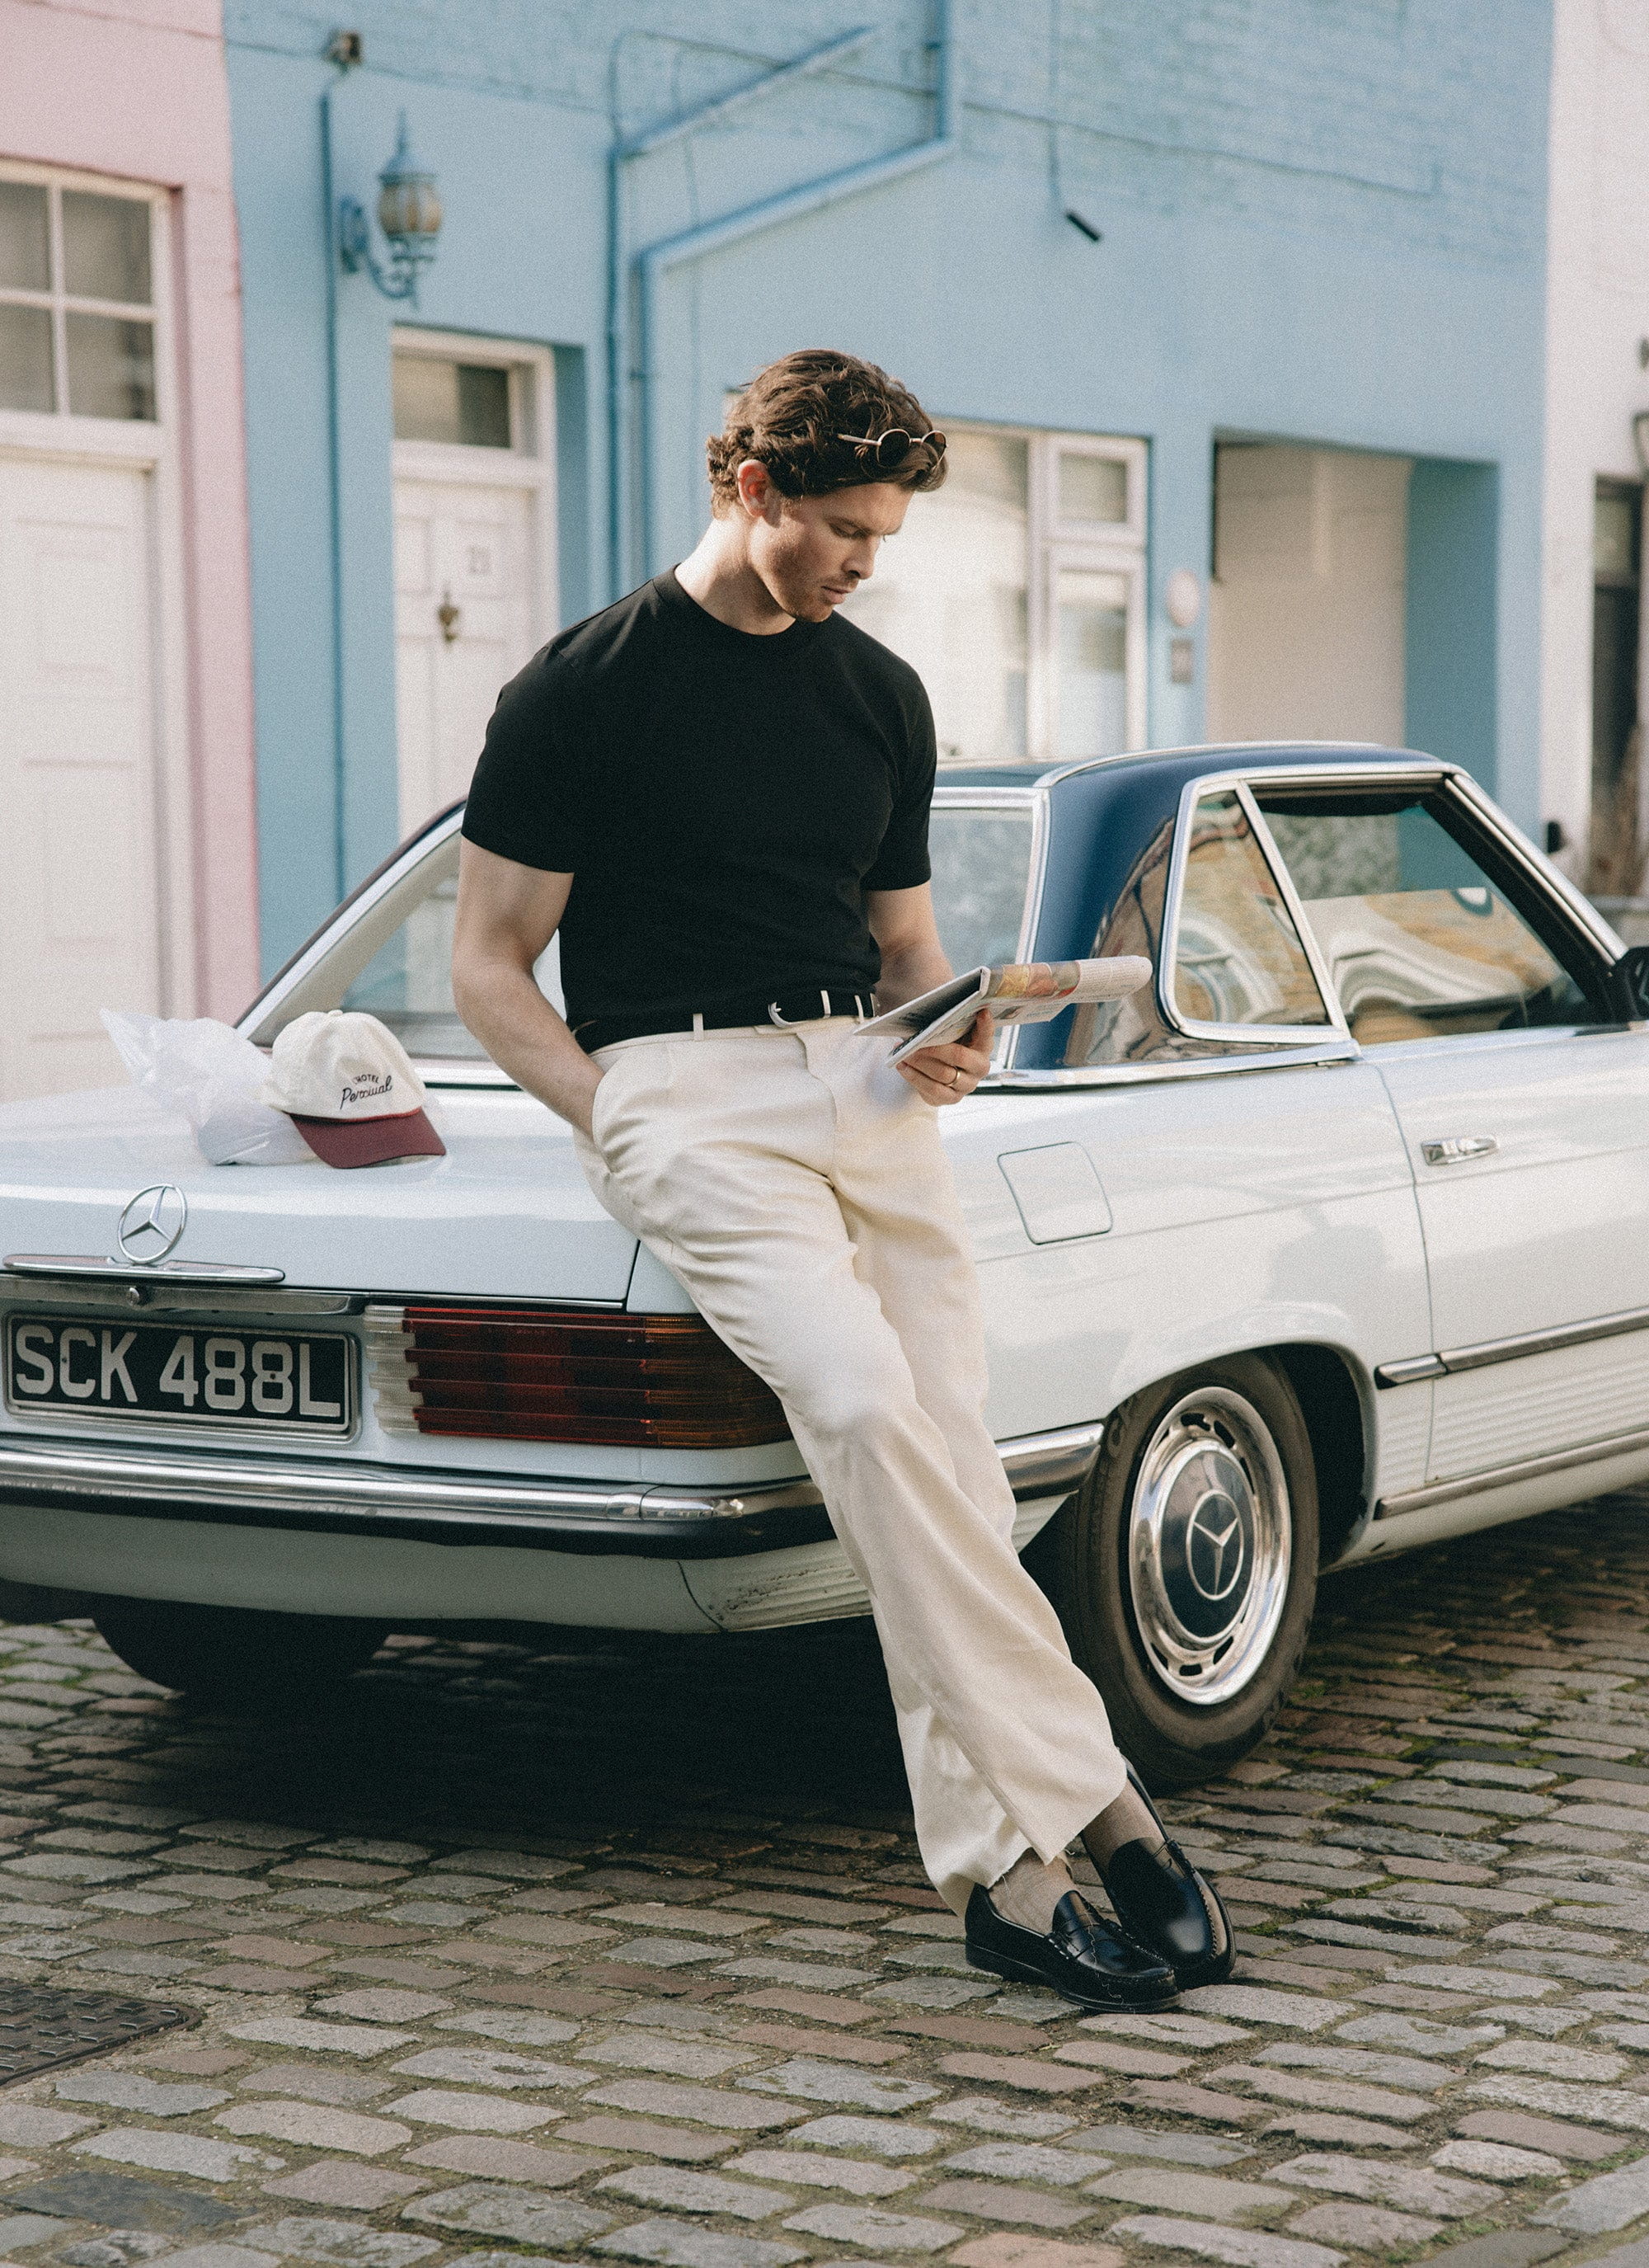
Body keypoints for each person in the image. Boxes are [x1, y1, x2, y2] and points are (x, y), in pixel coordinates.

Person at [451, 348, 1230, 2008]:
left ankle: (1010, 1883)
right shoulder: (579, 689)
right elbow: (489, 967)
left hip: (872, 1087)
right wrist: (621, 1119)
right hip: (687, 1096)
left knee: (943, 1463)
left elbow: (903, 951)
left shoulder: (877, 692)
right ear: (750, 488)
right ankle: (1106, 1802)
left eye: (882, 538)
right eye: (841, 532)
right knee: (873, 1416)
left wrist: (947, 1038)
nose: (863, 565)